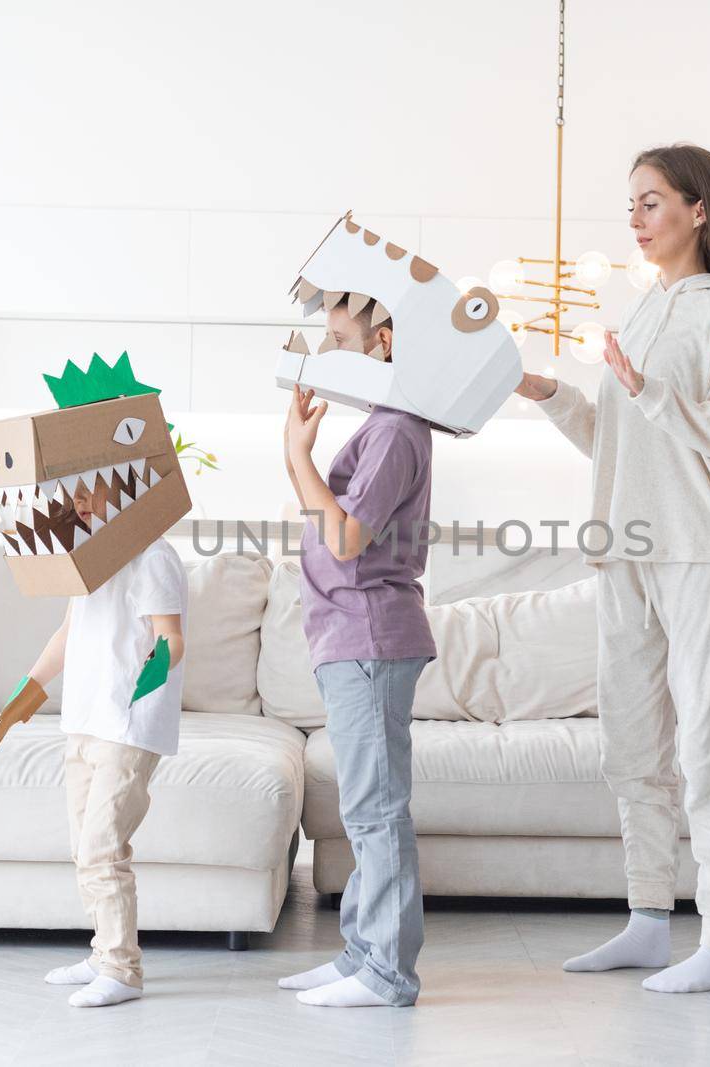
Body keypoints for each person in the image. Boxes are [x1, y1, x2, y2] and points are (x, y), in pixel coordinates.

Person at [517, 142, 710, 994]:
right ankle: (646, 920)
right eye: (630, 206)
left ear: (699, 210)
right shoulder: (638, 317)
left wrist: (651, 394)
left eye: (651, 203)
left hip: (702, 552)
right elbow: (616, 443)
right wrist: (551, 395)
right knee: (632, 746)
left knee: (709, 748)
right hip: (627, 550)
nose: (634, 220)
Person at [276, 295, 437, 1008]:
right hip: (349, 636)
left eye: (339, 336)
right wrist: (300, 453)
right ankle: (361, 956)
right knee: (364, 808)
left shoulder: (397, 430)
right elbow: (331, 517)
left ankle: (387, 972)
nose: (327, 349)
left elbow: (345, 538)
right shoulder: (379, 427)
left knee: (377, 810)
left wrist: (297, 455)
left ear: (384, 341)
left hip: (369, 634)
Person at [10, 480, 188, 1009]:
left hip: (126, 725)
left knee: (102, 848)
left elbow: (171, 636)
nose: (81, 502)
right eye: (75, 493)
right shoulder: (83, 557)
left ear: (131, 489)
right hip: (83, 720)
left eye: (93, 491)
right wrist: (29, 690)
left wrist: (150, 678)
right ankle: (103, 950)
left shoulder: (154, 556)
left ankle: (121, 968)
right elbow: (67, 634)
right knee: (82, 849)